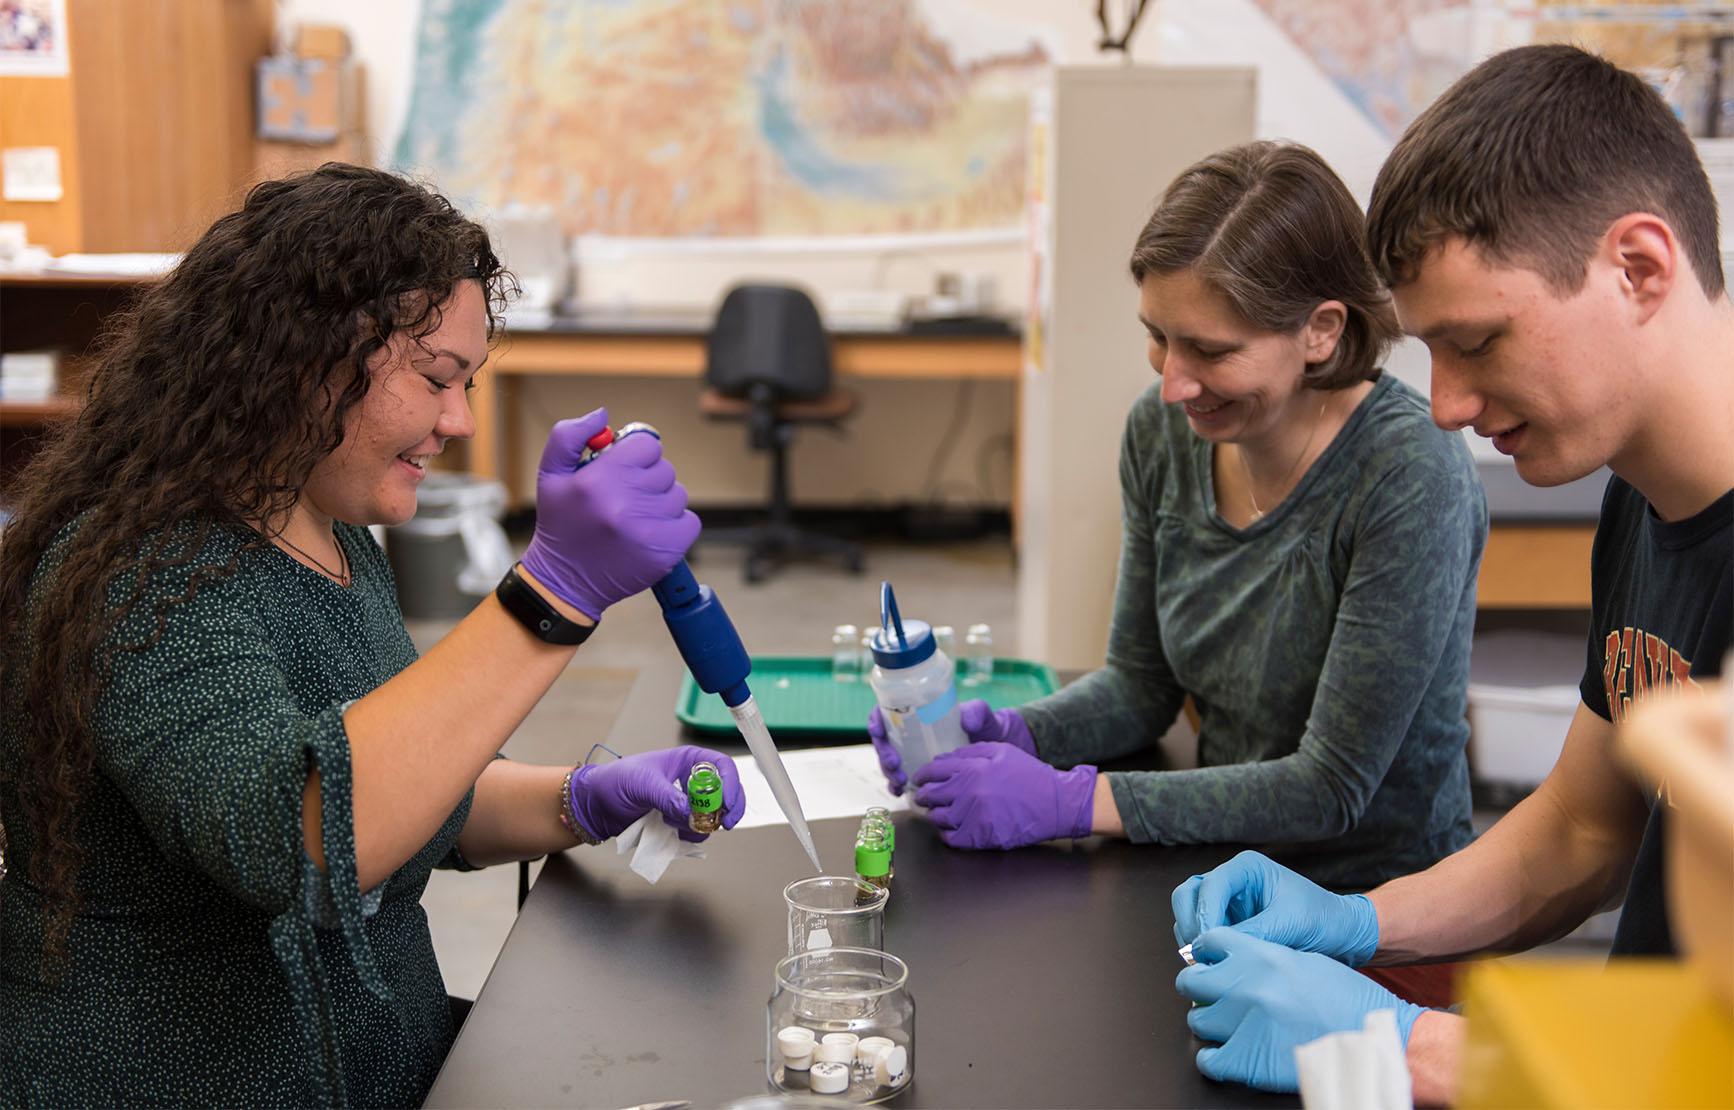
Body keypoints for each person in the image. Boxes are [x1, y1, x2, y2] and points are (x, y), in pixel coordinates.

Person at [0, 164, 746, 1106]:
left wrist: (582, 801)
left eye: (468, 383)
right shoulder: (139, 574)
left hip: (371, 1062)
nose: (460, 422)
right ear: (302, 358)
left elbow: (405, 783)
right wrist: (551, 594)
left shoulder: (332, 526)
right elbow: (304, 840)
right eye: (437, 378)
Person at [1172, 45, 1734, 1102]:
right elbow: (1582, 827)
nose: (1446, 405)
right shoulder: (1646, 503)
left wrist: (1404, 1044)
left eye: (1477, 341)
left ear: (1640, 268)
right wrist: (1362, 918)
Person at [869, 141, 1487, 897]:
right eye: (1158, 337)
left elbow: (1329, 788)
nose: (1173, 384)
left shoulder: (1410, 474)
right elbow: (1140, 686)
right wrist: (1016, 735)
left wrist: (1068, 800)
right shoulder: (1164, 437)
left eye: (1210, 350)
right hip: (1220, 870)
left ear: (1321, 331)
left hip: (1383, 906)